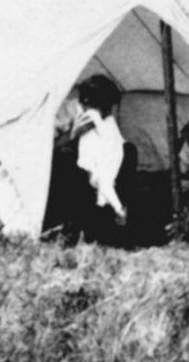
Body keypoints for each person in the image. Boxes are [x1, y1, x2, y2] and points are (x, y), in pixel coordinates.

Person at [48, 74, 132, 245]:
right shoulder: (66, 111)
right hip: (70, 170)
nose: (106, 112)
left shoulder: (105, 116)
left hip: (96, 167)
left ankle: (118, 219)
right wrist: (72, 135)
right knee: (65, 157)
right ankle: (75, 226)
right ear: (85, 103)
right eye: (104, 107)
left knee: (130, 151)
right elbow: (46, 151)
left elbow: (113, 143)